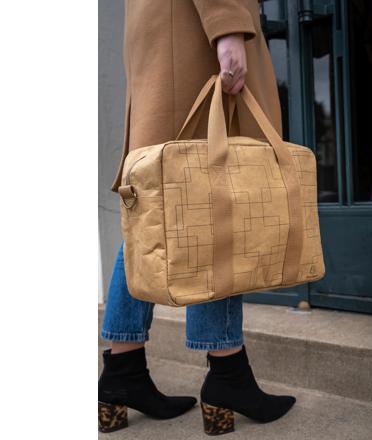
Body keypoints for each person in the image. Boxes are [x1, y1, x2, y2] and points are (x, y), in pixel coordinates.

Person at [98, 0, 296, 435]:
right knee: (208, 204)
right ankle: (227, 374)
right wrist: (227, 26)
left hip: (165, 37)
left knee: (154, 215)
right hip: (194, 36)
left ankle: (122, 372)